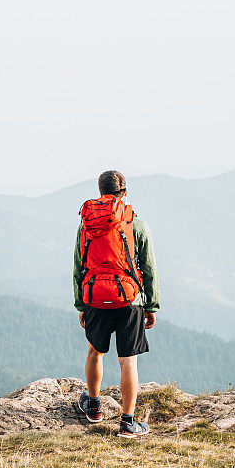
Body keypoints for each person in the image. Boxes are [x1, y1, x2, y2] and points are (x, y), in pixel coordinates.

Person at [73, 170, 160, 438]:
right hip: (129, 299)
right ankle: (127, 422)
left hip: (96, 298)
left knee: (94, 352)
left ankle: (95, 408)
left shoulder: (86, 223)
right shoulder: (136, 224)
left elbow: (79, 265)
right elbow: (149, 267)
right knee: (128, 361)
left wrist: (81, 304)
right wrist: (151, 305)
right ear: (126, 192)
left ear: (101, 192)